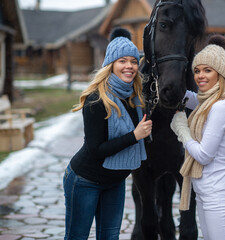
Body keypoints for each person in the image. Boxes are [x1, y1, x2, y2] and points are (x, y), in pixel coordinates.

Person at [63, 27, 152, 240]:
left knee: (110, 237)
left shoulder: (135, 99)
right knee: (77, 237)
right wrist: (134, 136)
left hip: (115, 180)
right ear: (110, 65)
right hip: (85, 179)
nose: (129, 66)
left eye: (133, 61)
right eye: (122, 61)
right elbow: (95, 149)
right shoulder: (96, 100)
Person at [170, 35, 225, 240]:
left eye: (207, 70)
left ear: (220, 73)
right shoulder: (210, 101)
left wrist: (182, 131)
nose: (200, 76)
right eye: (197, 70)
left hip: (219, 195)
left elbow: (204, 155)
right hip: (207, 193)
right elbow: (189, 98)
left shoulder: (221, 107)